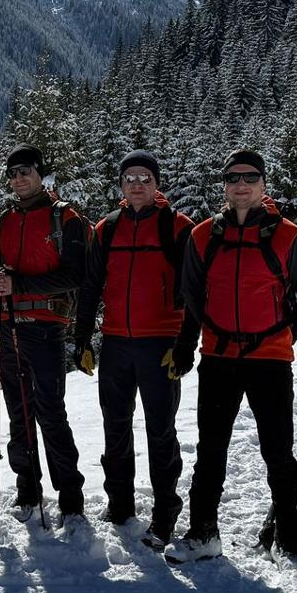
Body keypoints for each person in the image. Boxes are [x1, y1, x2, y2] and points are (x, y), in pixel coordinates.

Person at [167, 149, 297, 563]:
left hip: (270, 359)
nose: (241, 185)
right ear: (223, 185)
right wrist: (200, 337)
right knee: (211, 449)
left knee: (277, 448)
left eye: (250, 178)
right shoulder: (204, 236)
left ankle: (289, 535)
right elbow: (191, 292)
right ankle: (203, 533)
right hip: (219, 357)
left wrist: (287, 333)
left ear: (263, 184)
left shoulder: (291, 236)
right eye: (233, 178)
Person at [72, 150, 196, 549]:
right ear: (121, 184)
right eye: (130, 177)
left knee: (161, 431)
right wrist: (82, 337)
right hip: (115, 344)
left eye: (145, 177)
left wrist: (184, 345)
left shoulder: (177, 228)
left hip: (160, 344)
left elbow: (195, 293)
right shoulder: (107, 228)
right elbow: (91, 286)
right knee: (115, 427)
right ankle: (120, 503)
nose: (137, 183)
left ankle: (164, 515)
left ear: (157, 183)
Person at [0, 145, 90, 526]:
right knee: (18, 413)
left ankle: (70, 495)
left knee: (49, 412)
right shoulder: (2, 221)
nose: (18, 178)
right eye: (12, 173)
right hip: (9, 326)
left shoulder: (66, 219)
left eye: (25, 171)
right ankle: (28, 488)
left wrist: (18, 284)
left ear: (40, 173)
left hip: (45, 329)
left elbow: (76, 275)